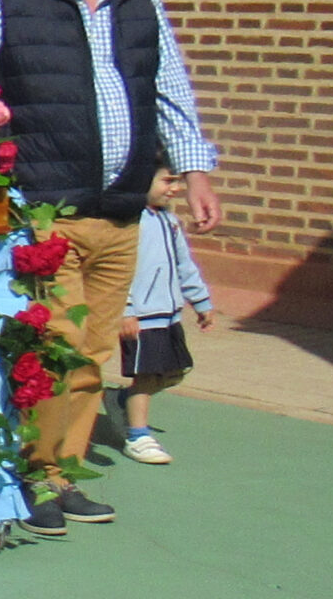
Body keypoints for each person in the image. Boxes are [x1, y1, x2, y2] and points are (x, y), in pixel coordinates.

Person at [0, 0, 223, 533]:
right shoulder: (7, 0)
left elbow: (171, 91)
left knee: (94, 353)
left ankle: (61, 474)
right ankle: (32, 476)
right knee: (55, 346)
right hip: (48, 212)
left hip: (121, 211)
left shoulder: (139, 3)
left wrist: (197, 171)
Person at [119, 162, 216, 466]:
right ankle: (137, 435)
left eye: (176, 182)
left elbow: (184, 265)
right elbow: (119, 272)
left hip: (169, 314)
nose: (175, 188)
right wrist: (126, 310)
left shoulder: (169, 221)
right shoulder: (129, 223)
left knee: (174, 371)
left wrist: (200, 301)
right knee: (146, 375)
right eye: (167, 181)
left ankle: (124, 401)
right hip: (142, 316)